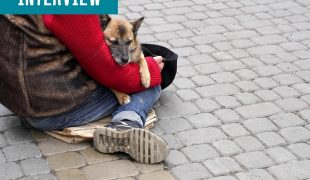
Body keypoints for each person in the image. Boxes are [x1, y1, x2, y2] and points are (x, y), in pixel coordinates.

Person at [0, 15, 169, 164]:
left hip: (18, 99)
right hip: (50, 109)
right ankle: (124, 126)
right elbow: (107, 72)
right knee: (151, 83)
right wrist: (153, 69)